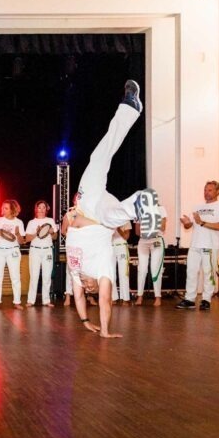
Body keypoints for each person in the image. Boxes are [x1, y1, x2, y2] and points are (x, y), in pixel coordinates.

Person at [65, 79, 162, 338]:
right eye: (91, 287)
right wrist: (105, 331)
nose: (86, 285)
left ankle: (130, 107)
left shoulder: (76, 272)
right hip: (99, 218)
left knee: (98, 156)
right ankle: (141, 201)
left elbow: (79, 300)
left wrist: (85, 321)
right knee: (114, 216)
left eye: (85, 288)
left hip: (86, 203)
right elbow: (106, 301)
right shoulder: (103, 273)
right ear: (98, 285)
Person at [175, 181, 219, 311]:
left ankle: (206, 300)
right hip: (195, 245)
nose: (206, 192)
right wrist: (187, 223)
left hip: (210, 245)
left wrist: (202, 222)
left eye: (209, 190)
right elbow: (191, 226)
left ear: (218, 192)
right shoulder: (197, 206)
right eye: (205, 190)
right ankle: (190, 299)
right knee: (191, 272)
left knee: (208, 273)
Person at [0, 199, 25, 309]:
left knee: (15, 277)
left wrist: (18, 234)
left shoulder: (19, 222)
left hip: (13, 250)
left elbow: (21, 241)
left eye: (6, 208)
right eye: (3, 207)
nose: (3, 210)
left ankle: (17, 302)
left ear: (12, 209)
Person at [25, 200, 57, 308]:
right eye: (40, 207)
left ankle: (46, 300)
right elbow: (27, 239)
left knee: (47, 276)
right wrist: (37, 233)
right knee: (34, 275)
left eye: (44, 207)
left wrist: (52, 232)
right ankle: (31, 300)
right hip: (35, 250)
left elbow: (55, 237)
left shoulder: (50, 220)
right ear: (36, 209)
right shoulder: (31, 222)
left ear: (46, 209)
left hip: (47, 250)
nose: (42, 209)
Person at [134, 206, 168, 306]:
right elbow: (137, 231)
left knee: (155, 268)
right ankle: (139, 296)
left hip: (156, 240)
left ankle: (158, 297)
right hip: (143, 241)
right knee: (142, 269)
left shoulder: (161, 209)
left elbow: (163, 227)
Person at [111, 222, 132, 305]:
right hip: (110, 247)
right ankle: (113, 297)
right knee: (111, 274)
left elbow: (126, 236)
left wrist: (118, 227)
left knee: (123, 273)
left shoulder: (125, 219)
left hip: (122, 246)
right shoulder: (108, 218)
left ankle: (125, 298)